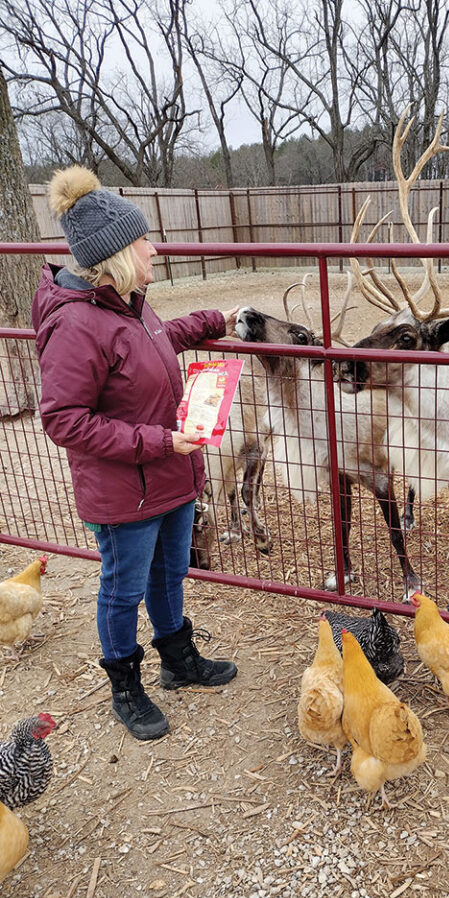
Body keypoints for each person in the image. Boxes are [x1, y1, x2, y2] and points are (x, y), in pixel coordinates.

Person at [32, 165, 239, 742]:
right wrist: (157, 442)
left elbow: (154, 342)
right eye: (144, 239)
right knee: (123, 588)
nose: (154, 248)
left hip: (168, 474)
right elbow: (63, 419)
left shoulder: (129, 303)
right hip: (128, 487)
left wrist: (212, 321)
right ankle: (125, 684)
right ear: (119, 253)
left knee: (170, 572)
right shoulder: (75, 325)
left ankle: (177, 658)